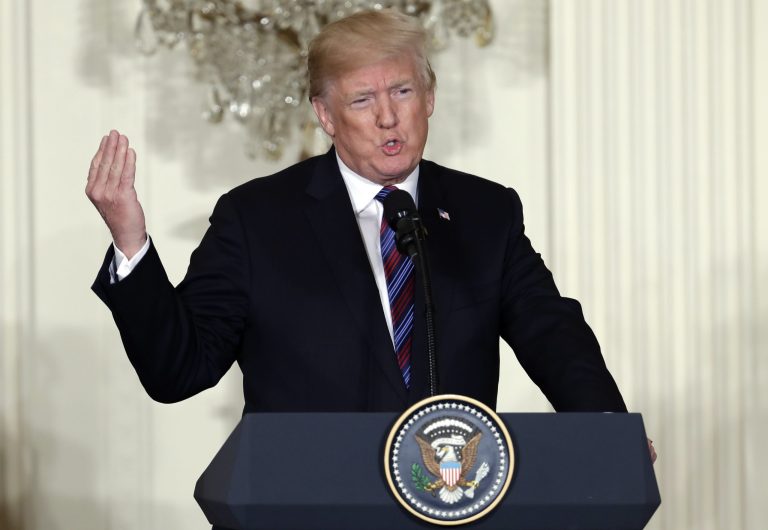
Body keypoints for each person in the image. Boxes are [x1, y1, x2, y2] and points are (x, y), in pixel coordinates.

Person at [86, 11, 640, 431]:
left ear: (429, 98)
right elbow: (178, 370)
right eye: (361, 100)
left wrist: (607, 432)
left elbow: (553, 334)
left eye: (402, 91)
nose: (386, 116)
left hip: (447, 498)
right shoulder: (256, 219)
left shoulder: (485, 212)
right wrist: (130, 242)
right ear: (324, 115)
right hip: (304, 509)